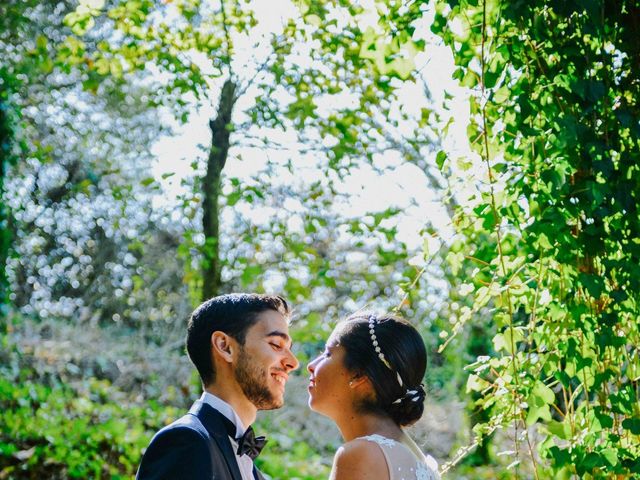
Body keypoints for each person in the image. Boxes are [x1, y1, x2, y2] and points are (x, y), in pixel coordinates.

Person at [136, 293, 299, 480]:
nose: (293, 362)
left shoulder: (251, 470)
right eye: (276, 344)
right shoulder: (186, 442)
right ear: (225, 347)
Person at [307, 312, 440, 480]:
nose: (311, 365)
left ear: (358, 375)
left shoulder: (361, 454)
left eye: (327, 354)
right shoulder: (417, 459)